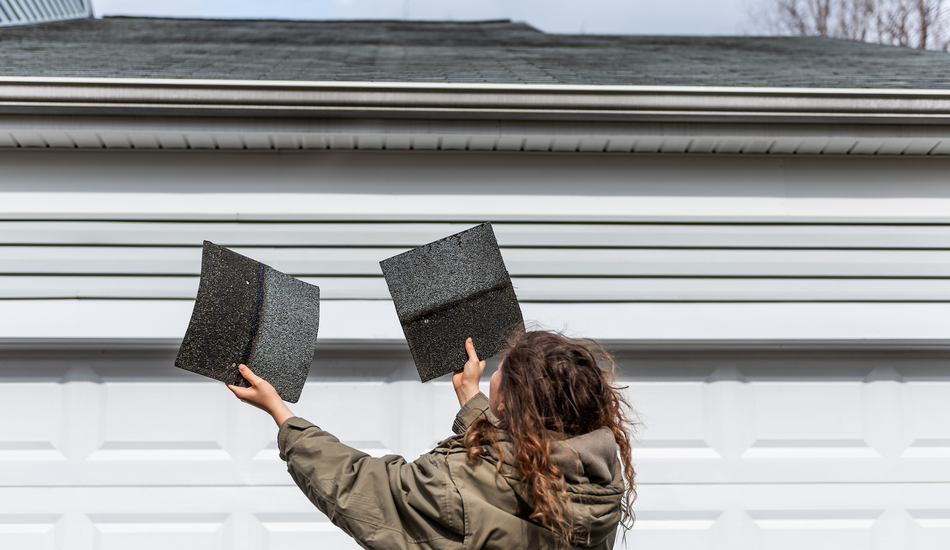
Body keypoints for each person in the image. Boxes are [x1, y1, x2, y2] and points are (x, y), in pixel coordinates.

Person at [229, 330, 638, 549]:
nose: (494, 372)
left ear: (509, 402)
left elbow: (363, 488)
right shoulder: (597, 482)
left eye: (503, 372)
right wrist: (473, 399)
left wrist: (280, 412)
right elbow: (523, 453)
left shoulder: (456, 483)